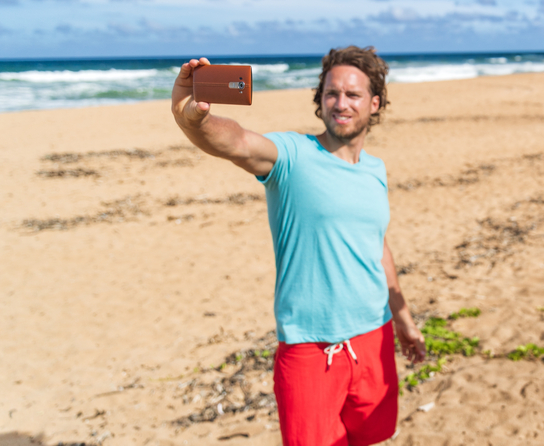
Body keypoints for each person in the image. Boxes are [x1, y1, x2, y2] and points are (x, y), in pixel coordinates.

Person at [171, 46, 426, 446]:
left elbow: (376, 245)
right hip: (310, 349)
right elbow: (236, 142)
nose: (341, 104)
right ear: (319, 99)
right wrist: (190, 117)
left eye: (353, 95)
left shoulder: (376, 170)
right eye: (331, 93)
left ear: (374, 103)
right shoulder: (292, 156)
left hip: (374, 336)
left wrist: (404, 320)